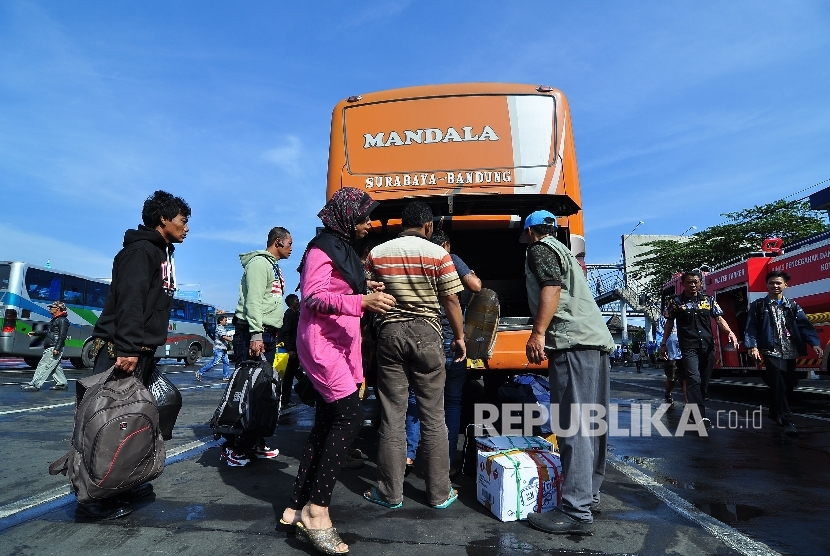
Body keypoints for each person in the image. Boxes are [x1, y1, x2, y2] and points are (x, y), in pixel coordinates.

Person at [279, 188, 395, 555]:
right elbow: (313, 297)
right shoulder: (319, 248)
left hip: (342, 346)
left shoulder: (341, 249)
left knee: (326, 423)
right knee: (348, 417)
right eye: (363, 217)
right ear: (346, 218)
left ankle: (296, 507)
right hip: (322, 345)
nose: (368, 224)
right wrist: (362, 300)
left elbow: (340, 287)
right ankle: (317, 511)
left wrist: (366, 287)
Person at [84, 190, 190, 521]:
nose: (187, 228)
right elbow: (131, 299)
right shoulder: (141, 252)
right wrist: (128, 347)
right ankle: (92, 497)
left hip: (140, 351)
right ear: (164, 219)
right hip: (122, 350)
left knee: (130, 423)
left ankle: (122, 482)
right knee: (105, 424)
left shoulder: (162, 253)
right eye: (183, 221)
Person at [363, 201, 466, 510]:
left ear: (400, 223)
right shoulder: (439, 254)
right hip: (428, 335)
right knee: (433, 416)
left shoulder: (377, 253)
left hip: (389, 335)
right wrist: (459, 338)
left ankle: (389, 493)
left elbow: (366, 295)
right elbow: (450, 299)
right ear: (428, 226)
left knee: (393, 416)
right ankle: (438, 493)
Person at [521, 210, 615, 536]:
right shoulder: (566, 253)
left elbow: (551, 287)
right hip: (595, 343)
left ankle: (575, 511)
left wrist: (538, 333)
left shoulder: (540, 249)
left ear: (530, 232)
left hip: (573, 345)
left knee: (573, 425)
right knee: (593, 422)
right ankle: (589, 496)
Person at [404, 229, 481, 477]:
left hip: (424, 339)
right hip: (451, 342)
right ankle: (445, 463)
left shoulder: (421, 259)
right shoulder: (450, 258)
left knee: (417, 399)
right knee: (452, 403)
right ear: (446, 244)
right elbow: (475, 286)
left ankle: (409, 455)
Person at [225, 226, 292, 466]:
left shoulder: (274, 266)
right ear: (278, 242)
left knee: (262, 391)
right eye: (289, 243)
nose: (292, 248)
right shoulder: (259, 264)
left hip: (268, 334)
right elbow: (253, 300)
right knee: (246, 390)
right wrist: (255, 334)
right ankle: (233, 447)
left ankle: (254, 441)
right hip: (254, 333)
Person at [745, 270, 823, 436]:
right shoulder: (759, 306)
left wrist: (814, 343)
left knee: (788, 384)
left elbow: (805, 326)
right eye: (771, 283)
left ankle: (774, 410)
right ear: (766, 285)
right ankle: (787, 420)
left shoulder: (792, 306)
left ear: (785, 285)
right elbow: (751, 327)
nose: (775, 286)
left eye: (778, 283)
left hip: (790, 351)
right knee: (778, 382)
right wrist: (752, 346)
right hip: (770, 351)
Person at [660, 270, 738, 430]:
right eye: (689, 282)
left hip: (708, 346)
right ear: (683, 284)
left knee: (703, 382)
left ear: (701, 283)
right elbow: (669, 324)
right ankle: (699, 417)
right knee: (693, 379)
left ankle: (692, 410)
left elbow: (719, 318)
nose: (693, 285)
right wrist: (663, 344)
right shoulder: (675, 302)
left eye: (696, 282)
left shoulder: (709, 300)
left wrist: (730, 332)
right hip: (688, 347)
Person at [20, 301, 70, 392]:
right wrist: (36, 333)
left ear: (58, 309)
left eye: (52, 307)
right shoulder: (56, 319)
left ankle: (35, 385)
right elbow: (49, 332)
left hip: (54, 346)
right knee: (55, 366)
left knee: (44, 365)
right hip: (51, 345)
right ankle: (62, 383)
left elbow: (62, 335)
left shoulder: (62, 320)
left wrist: (57, 348)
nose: (49, 308)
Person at [656, 311, 686, 406]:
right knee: (671, 379)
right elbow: (659, 335)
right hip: (671, 353)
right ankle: (668, 394)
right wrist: (661, 347)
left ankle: (688, 404)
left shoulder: (685, 315)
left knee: (686, 379)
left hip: (686, 353)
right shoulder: (663, 318)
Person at [277, 293, 300, 407]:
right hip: (291, 349)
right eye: (296, 300)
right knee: (289, 375)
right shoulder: (289, 315)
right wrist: (290, 349)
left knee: (296, 372)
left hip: (296, 348)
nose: (298, 302)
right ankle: (285, 399)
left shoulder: (296, 314)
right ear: (291, 303)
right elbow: (286, 333)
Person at [195, 313, 231, 381]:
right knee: (214, 362)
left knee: (226, 362)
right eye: (225, 320)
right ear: (221, 321)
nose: (226, 322)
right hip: (219, 349)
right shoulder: (219, 328)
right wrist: (233, 340)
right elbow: (223, 337)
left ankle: (226, 376)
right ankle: (199, 372)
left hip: (223, 349)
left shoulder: (223, 328)